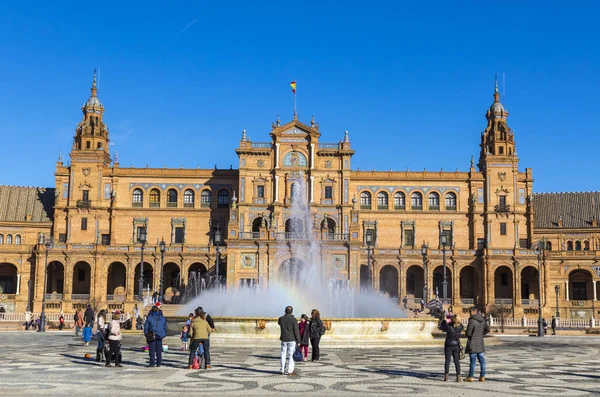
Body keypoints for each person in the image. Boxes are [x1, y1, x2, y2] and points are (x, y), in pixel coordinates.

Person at [465, 307, 490, 382]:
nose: (469, 313)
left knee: (473, 361)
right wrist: (481, 334)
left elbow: (468, 333)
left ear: (474, 312)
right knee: (482, 361)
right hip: (480, 343)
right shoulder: (483, 320)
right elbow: (488, 329)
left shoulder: (472, 320)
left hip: (473, 344)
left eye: (470, 311)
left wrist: (469, 334)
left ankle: (471, 376)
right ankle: (482, 376)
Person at [439, 313, 464, 382]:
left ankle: (446, 376)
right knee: (456, 361)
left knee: (447, 361)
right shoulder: (460, 326)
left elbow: (441, 327)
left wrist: (444, 320)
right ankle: (458, 376)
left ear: (452, 319)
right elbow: (460, 326)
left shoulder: (448, 326)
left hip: (448, 345)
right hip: (456, 345)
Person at [278, 306, 300, 375]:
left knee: (283, 354)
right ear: (292, 311)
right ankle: (290, 370)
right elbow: (296, 331)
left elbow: (279, 323)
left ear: (285, 311)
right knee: (291, 355)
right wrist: (298, 341)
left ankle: (282, 370)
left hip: (284, 339)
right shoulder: (294, 320)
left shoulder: (281, 319)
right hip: (291, 339)